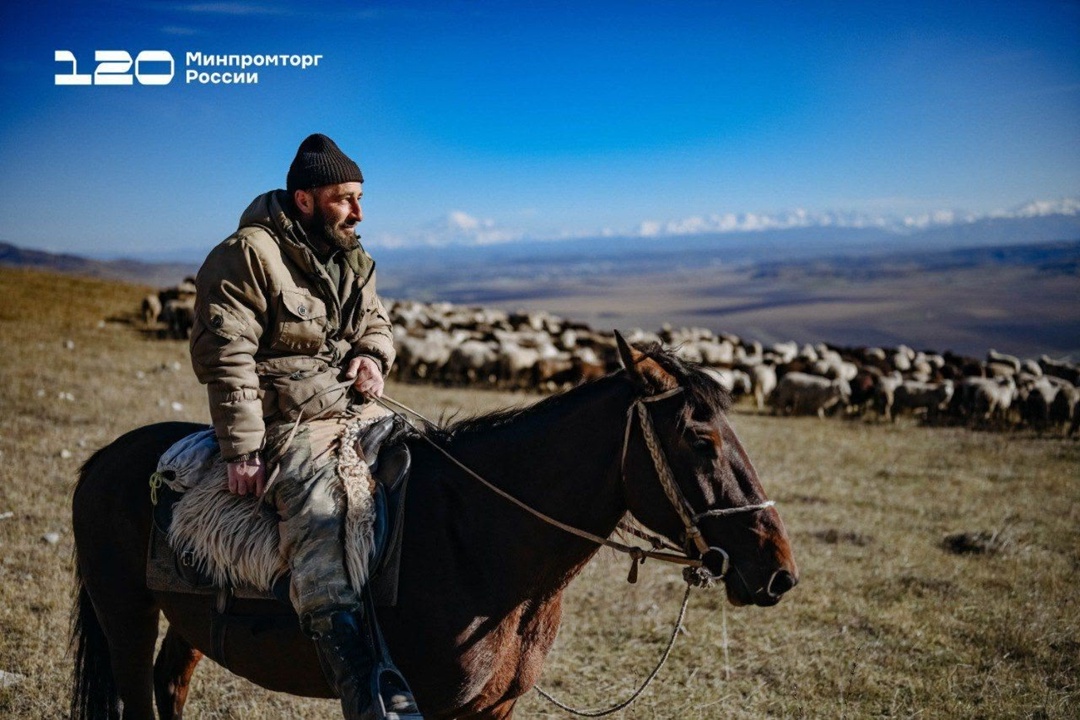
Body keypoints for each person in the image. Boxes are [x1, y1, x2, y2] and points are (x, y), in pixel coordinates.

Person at [190, 133, 418, 719]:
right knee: (321, 518)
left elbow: (376, 323)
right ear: (305, 198)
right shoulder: (247, 254)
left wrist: (372, 355)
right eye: (344, 198)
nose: (359, 211)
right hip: (284, 420)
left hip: (350, 405)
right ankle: (361, 687)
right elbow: (227, 352)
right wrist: (242, 449)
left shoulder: (354, 257)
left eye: (360, 196)